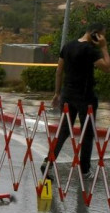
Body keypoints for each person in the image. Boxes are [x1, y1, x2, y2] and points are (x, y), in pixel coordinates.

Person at [41, 23, 110, 179]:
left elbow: (59, 71)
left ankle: (49, 161)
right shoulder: (90, 50)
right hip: (86, 98)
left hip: (67, 95)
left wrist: (57, 93)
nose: (102, 39)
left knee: (64, 130)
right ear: (95, 34)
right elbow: (107, 67)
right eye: (102, 35)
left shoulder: (68, 46)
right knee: (87, 133)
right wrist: (104, 47)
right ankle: (84, 170)